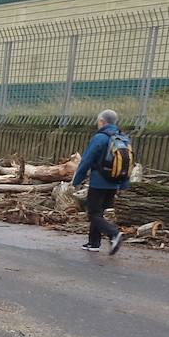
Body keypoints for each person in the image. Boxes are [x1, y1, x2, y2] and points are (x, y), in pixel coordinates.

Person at [71, 109, 131, 255]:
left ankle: (114, 234)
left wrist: (76, 180)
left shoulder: (100, 138)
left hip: (99, 182)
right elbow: (128, 163)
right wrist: (123, 185)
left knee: (93, 213)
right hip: (115, 182)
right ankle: (94, 243)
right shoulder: (123, 138)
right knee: (99, 213)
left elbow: (87, 160)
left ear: (102, 122)